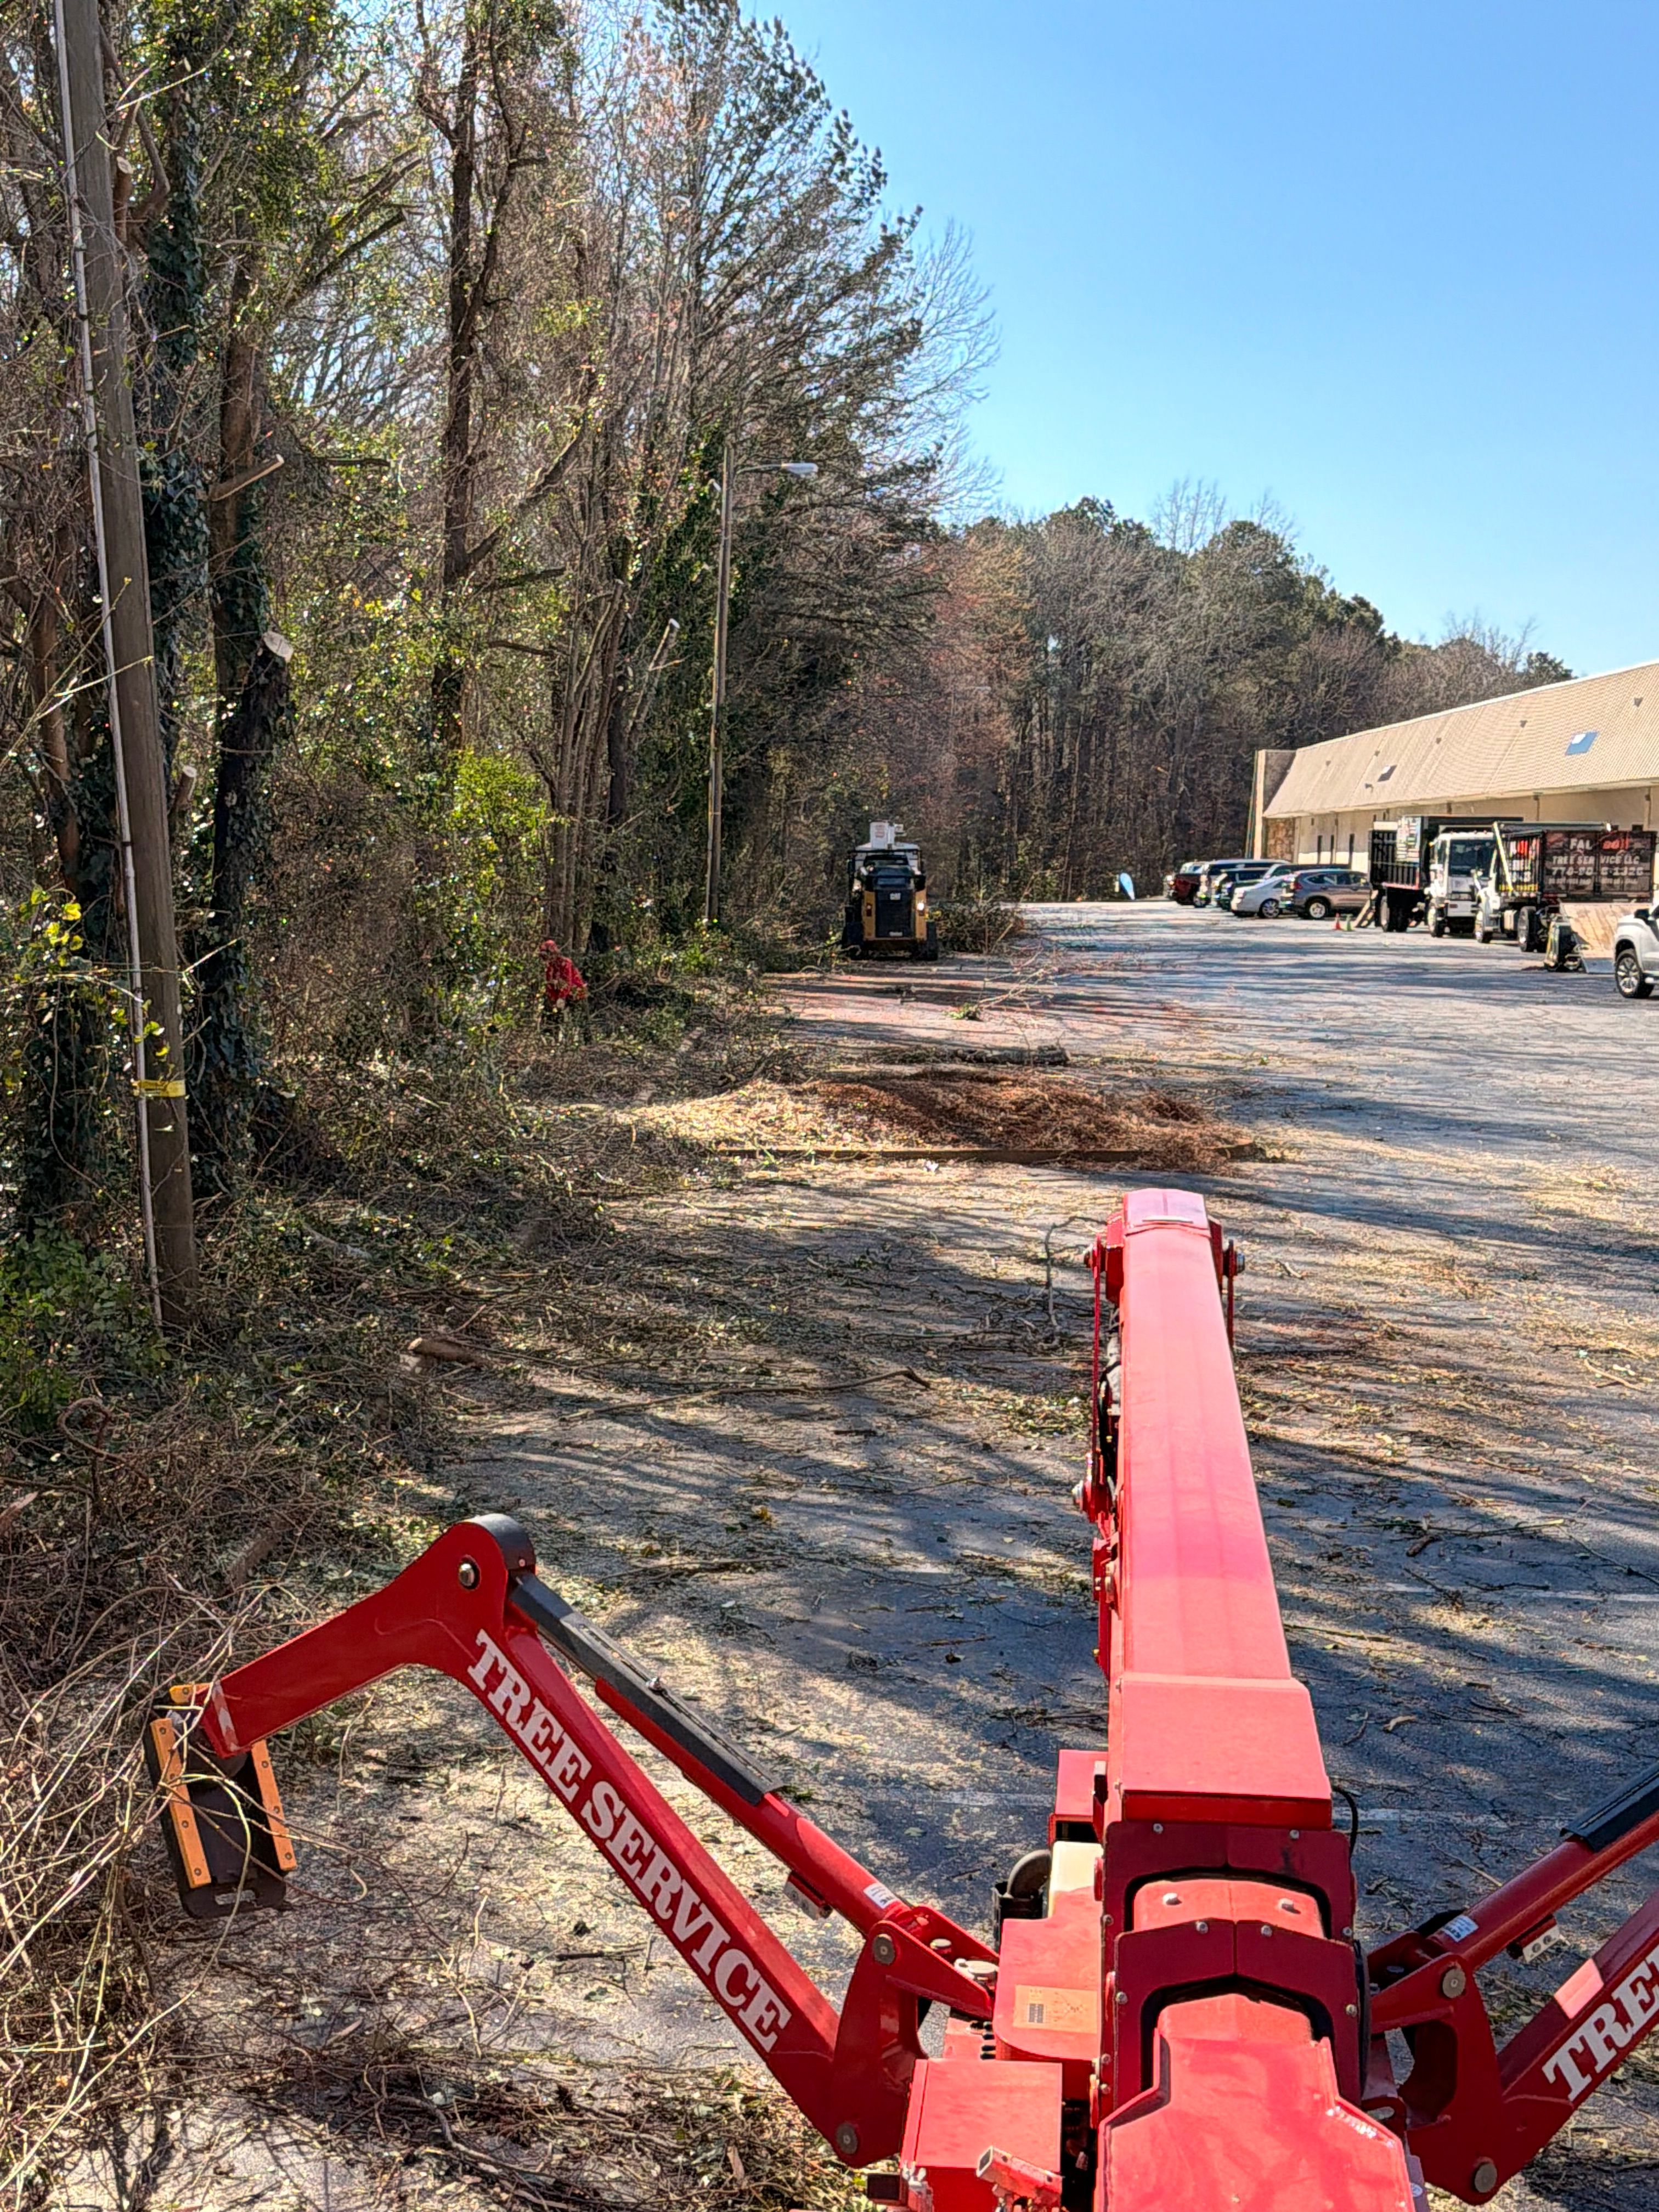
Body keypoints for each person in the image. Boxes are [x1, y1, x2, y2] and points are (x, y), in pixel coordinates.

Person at [540, 939, 588, 1023]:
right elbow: (549, 985)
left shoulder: (566, 963)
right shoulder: (549, 967)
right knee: (552, 1020)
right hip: (560, 995)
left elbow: (567, 982)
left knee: (581, 1021)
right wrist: (553, 1001)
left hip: (576, 993)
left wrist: (561, 998)